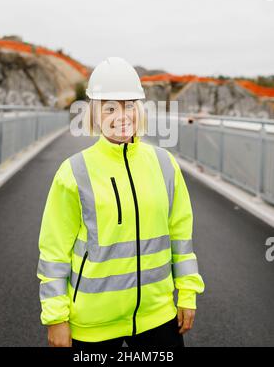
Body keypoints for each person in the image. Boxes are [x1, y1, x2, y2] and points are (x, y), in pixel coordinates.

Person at [36, 57, 205, 352]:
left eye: (129, 105)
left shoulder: (165, 165)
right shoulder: (74, 172)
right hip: (92, 324)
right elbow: (54, 254)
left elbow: (181, 238)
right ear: (95, 113)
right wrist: (55, 319)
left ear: (139, 109)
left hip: (158, 318)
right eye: (110, 107)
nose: (121, 115)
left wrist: (188, 293)